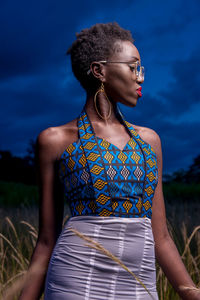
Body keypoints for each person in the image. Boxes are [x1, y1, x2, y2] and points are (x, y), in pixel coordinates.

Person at [19, 22, 200, 300]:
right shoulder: (55, 140)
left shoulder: (149, 141)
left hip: (139, 282)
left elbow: (161, 237)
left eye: (142, 70)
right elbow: (46, 240)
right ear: (99, 70)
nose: (140, 78)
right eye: (133, 67)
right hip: (76, 280)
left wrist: (190, 293)